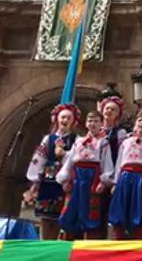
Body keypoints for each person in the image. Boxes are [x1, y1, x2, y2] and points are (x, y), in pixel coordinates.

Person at [25, 103, 79, 240]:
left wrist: (64, 155)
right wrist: (35, 181)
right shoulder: (48, 139)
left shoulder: (76, 140)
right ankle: (47, 246)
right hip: (47, 183)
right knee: (46, 219)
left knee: (64, 219)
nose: (65, 120)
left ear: (73, 121)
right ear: (57, 119)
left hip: (65, 185)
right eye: (62, 117)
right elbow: (39, 159)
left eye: (68, 118)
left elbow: (77, 160)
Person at [57, 111, 113, 239]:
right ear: (86, 124)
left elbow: (106, 163)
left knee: (91, 211)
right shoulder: (79, 141)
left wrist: (103, 181)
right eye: (90, 121)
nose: (93, 124)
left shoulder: (103, 143)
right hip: (77, 178)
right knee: (72, 210)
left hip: (92, 179)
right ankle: (70, 243)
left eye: (96, 121)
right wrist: (65, 179)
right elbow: (70, 161)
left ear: (101, 124)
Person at [108, 112, 142, 240]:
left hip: (141, 179)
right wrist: (116, 182)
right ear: (134, 125)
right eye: (139, 121)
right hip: (125, 177)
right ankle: (119, 236)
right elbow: (119, 163)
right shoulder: (126, 142)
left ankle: (140, 236)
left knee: (140, 208)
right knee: (122, 206)